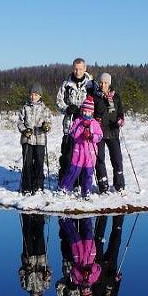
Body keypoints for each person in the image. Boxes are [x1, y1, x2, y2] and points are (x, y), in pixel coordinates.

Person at [56, 58, 97, 186]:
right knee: (67, 156)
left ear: (85, 69)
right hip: (69, 126)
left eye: (80, 69)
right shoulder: (66, 84)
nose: (77, 71)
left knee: (83, 158)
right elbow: (58, 102)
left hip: (85, 128)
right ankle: (64, 183)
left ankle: (81, 183)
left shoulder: (91, 84)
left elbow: (97, 102)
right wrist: (67, 109)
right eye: (75, 68)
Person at [56, 217, 101, 296]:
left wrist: (69, 283)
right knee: (83, 240)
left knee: (68, 239)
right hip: (85, 265)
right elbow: (95, 284)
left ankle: (65, 217)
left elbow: (58, 286)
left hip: (69, 265)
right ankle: (82, 216)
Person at [58, 96, 102, 198]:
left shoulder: (94, 123)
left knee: (88, 173)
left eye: (88, 112)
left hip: (90, 153)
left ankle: (86, 191)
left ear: (92, 112)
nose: (86, 114)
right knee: (73, 171)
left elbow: (99, 136)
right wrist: (82, 127)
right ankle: (64, 188)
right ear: (82, 111)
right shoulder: (78, 121)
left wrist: (91, 136)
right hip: (78, 152)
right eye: (84, 111)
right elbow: (73, 134)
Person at [93, 73, 126, 194]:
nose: (103, 85)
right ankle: (103, 185)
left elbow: (120, 112)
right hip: (99, 132)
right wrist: (94, 120)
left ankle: (119, 185)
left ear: (109, 83)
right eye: (101, 82)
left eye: (105, 83)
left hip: (113, 131)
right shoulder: (95, 97)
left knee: (117, 159)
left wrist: (120, 120)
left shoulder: (116, 96)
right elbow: (91, 112)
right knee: (99, 158)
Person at [17, 83, 51, 195]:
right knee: (27, 163)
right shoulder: (25, 107)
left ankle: (38, 187)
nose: (33, 97)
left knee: (39, 163)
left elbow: (49, 123)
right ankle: (26, 187)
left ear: (40, 95)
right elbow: (20, 122)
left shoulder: (45, 109)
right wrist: (24, 130)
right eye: (31, 94)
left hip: (40, 139)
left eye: (35, 94)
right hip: (27, 139)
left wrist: (46, 127)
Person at [93, 215, 125, 296]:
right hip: (111, 267)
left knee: (98, 240)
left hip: (98, 266)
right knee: (115, 241)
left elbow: (95, 282)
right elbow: (118, 281)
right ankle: (119, 216)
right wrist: (118, 278)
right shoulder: (113, 295)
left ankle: (102, 216)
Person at [18, 213, 52, 296]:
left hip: (28, 259)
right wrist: (47, 274)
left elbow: (20, 272)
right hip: (41, 258)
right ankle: (39, 216)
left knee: (27, 235)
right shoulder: (46, 286)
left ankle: (26, 216)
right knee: (39, 235)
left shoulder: (26, 287)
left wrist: (26, 270)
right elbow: (49, 270)